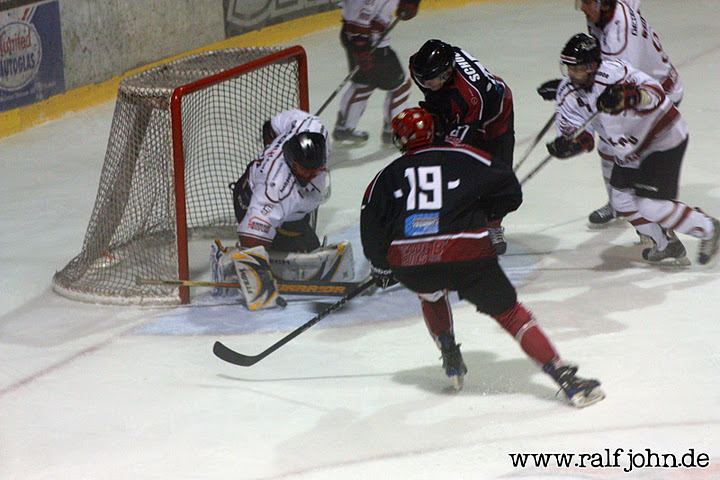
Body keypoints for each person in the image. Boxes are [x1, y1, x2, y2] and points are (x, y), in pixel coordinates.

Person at [360, 106, 605, 407]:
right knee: (512, 314)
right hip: (468, 254)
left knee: (430, 293)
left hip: (413, 261)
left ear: (401, 140)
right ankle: (566, 380)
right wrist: (486, 217)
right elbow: (510, 188)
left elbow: (371, 223)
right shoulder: (464, 156)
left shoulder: (385, 177)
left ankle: (449, 352)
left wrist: (381, 265)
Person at [546, 33, 720, 266]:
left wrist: (632, 96)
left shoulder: (616, 73)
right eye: (568, 68)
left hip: (662, 138)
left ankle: (710, 228)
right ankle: (666, 244)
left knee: (651, 205)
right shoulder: (568, 93)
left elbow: (657, 93)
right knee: (621, 201)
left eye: (576, 68)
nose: (570, 74)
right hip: (629, 151)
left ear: (592, 66)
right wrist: (570, 146)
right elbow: (583, 137)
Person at [538, 0, 684, 226]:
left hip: (653, 93)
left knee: (624, 145)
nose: (583, 9)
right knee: (609, 145)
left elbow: (609, 84)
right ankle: (623, 204)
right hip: (649, 82)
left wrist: (564, 86)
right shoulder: (614, 7)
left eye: (587, 3)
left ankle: (650, 208)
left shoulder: (619, 39)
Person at [212, 109, 354, 310]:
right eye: (306, 171)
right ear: (292, 162)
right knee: (269, 250)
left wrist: (270, 147)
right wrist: (261, 283)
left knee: (304, 248)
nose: (312, 176)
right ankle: (227, 264)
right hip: (250, 197)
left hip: (293, 208)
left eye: (317, 170)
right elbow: (251, 237)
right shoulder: (274, 190)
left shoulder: (313, 128)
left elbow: (271, 126)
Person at [408, 39, 515, 254]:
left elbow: (460, 145)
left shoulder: (471, 96)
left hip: (494, 118)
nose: (424, 83)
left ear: (447, 73)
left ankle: (493, 226)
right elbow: (431, 89)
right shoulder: (419, 67)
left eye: (430, 80)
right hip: (456, 105)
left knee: (494, 173)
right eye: (423, 79)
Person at [332, 0, 419, 146]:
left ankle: (345, 127)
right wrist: (361, 49)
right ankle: (395, 131)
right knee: (400, 86)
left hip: (358, 37)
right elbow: (358, 17)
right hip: (368, 42)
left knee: (364, 83)